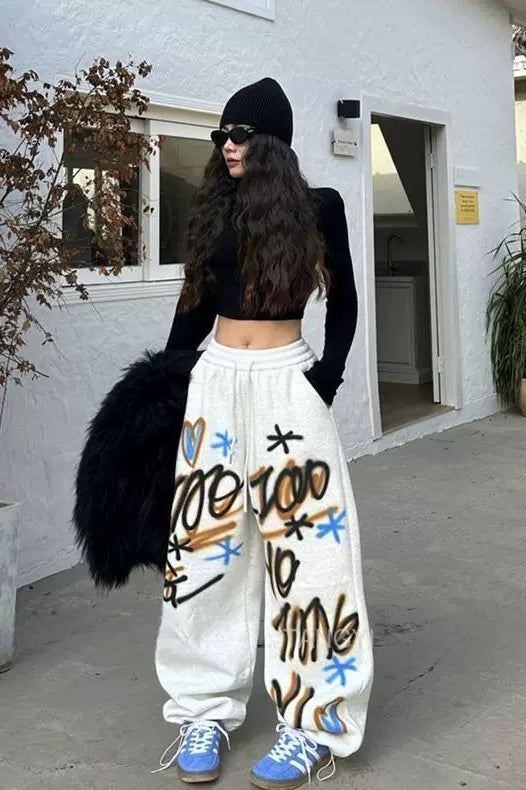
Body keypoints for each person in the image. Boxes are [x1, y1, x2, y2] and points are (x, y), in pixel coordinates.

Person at [151, 77, 374, 788]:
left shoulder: (318, 208)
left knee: (311, 555)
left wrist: (325, 379)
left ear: (272, 142)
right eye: (221, 135)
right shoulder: (215, 206)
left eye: (240, 134)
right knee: (203, 548)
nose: (227, 146)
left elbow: (345, 302)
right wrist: (166, 384)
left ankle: (311, 723)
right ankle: (203, 708)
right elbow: (194, 307)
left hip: (288, 383)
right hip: (215, 383)